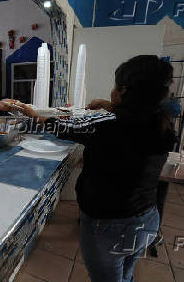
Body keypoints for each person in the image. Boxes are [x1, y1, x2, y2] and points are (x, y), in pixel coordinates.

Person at [21, 55, 176, 282]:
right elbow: (133, 120)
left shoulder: (107, 126)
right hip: (147, 220)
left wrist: (35, 115)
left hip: (108, 226)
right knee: (126, 274)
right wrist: (110, 105)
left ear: (123, 91)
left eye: (115, 86)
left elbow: (64, 127)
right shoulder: (162, 122)